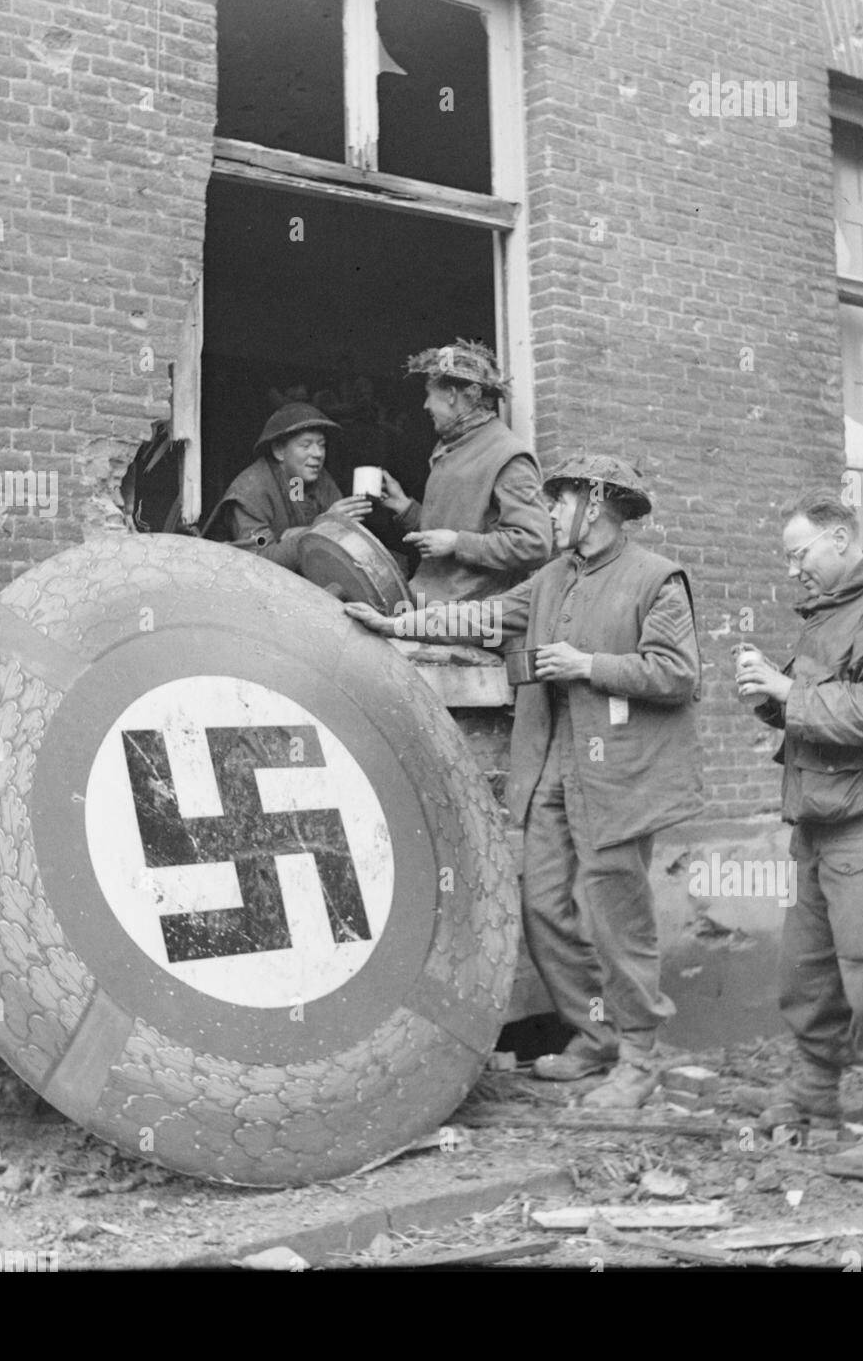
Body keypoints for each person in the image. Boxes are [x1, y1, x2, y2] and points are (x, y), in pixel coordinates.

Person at [347, 453, 703, 1109]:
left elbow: (678, 674)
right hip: (551, 767)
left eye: (560, 503)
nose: (550, 516)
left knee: (614, 915)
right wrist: (400, 626)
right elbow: (482, 619)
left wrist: (589, 664)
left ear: (595, 505)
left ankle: (641, 1055)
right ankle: (596, 1031)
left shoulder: (656, 580)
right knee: (543, 906)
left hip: (617, 775)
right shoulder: (548, 580)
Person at [735, 489, 863, 1177]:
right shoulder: (834, 616)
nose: (792, 569)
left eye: (801, 554)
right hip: (825, 813)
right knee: (810, 966)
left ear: (842, 540)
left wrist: (788, 693)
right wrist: (773, 700)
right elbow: (822, 710)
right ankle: (816, 1089)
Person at [378, 339, 551, 604]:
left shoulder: (506, 455)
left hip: (469, 615)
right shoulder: (453, 446)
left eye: (429, 394)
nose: (425, 405)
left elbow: (535, 543)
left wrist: (458, 543)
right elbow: (453, 528)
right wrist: (404, 507)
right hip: (428, 604)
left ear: (451, 395)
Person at [201, 403, 372, 570]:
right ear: (279, 451)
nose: (318, 454)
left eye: (322, 445)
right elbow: (259, 557)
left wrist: (301, 531)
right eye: (306, 445)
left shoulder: (301, 478)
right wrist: (324, 528)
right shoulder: (251, 491)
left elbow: (300, 513)